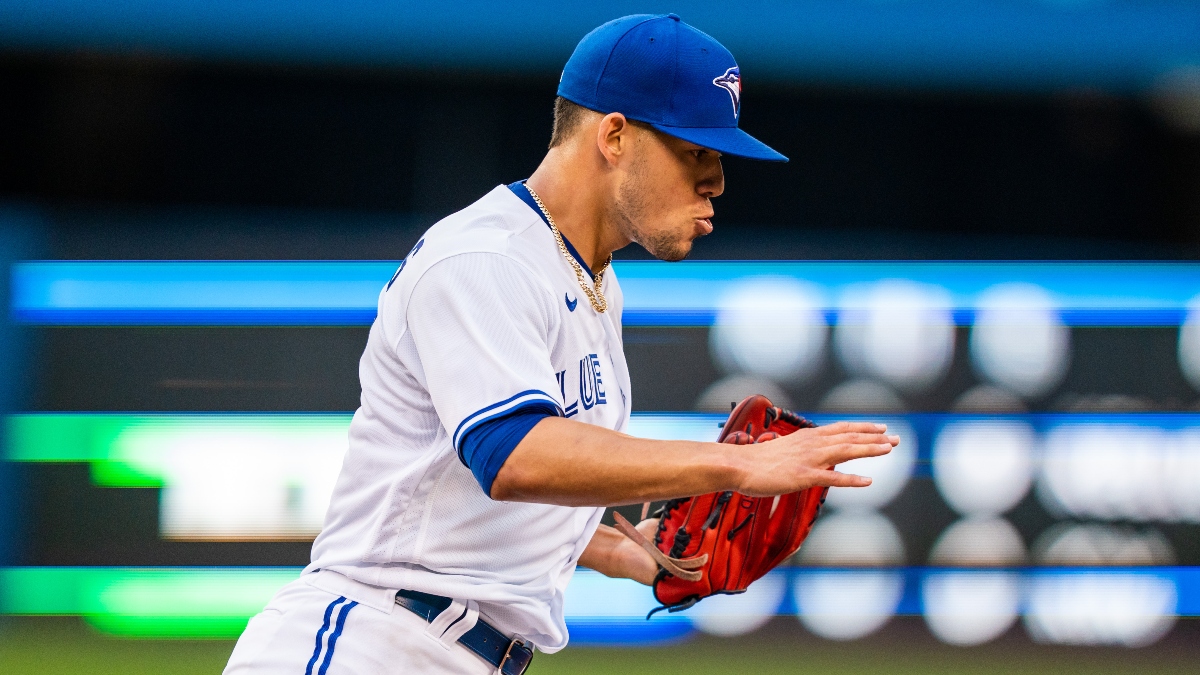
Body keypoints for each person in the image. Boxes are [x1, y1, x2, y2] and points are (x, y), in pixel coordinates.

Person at [224, 14, 897, 675]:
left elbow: (469, 490)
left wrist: (616, 551)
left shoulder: (590, 277)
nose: (716, 181)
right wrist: (734, 468)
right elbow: (514, 455)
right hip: (372, 642)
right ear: (614, 136)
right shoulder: (485, 259)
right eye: (697, 152)